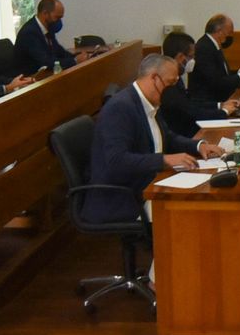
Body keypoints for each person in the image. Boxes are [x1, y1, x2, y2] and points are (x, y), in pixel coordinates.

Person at [82, 54, 224, 227]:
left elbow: (167, 137)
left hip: (148, 183)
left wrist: (199, 145)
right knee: (194, 213)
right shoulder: (120, 108)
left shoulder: (148, 102)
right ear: (154, 78)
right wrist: (164, 159)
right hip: (122, 197)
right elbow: (116, 161)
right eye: (170, 83)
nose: (173, 89)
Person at [159, 31, 240, 138]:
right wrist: (224, 112)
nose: (193, 61)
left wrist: (220, 105)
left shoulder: (177, 78)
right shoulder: (168, 85)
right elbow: (193, 113)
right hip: (185, 138)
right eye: (191, 57)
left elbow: (191, 103)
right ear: (180, 57)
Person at [188, 14, 240, 104]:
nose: (230, 37)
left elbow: (222, 74)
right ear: (220, 32)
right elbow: (216, 82)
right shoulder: (204, 48)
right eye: (229, 33)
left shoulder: (213, 45)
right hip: (210, 103)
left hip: (221, 99)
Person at [14, 0, 77, 75]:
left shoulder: (48, 28)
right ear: (45, 13)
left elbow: (59, 51)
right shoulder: (29, 32)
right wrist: (75, 61)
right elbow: (45, 62)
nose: (59, 21)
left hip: (45, 75)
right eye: (57, 17)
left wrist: (76, 57)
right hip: (30, 79)